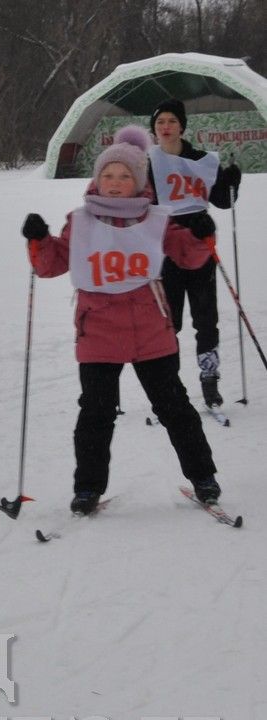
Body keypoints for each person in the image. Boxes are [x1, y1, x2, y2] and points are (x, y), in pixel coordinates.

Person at [23, 126, 222, 513]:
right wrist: (40, 240)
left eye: (125, 176)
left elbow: (189, 255)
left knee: (175, 408)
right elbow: (52, 264)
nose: (115, 184)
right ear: (98, 180)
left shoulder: (156, 220)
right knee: (95, 414)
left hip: (151, 329)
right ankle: (87, 489)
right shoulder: (79, 221)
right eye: (108, 176)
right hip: (97, 330)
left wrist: (201, 234)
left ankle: (203, 477)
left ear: (139, 182)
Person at [147, 98, 243, 408]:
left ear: (182, 126)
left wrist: (230, 183)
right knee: (168, 321)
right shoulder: (148, 162)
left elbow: (222, 201)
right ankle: (170, 383)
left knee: (206, 317)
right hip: (166, 245)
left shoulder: (202, 160)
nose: (166, 127)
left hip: (201, 243)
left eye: (172, 121)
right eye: (160, 122)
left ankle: (209, 378)